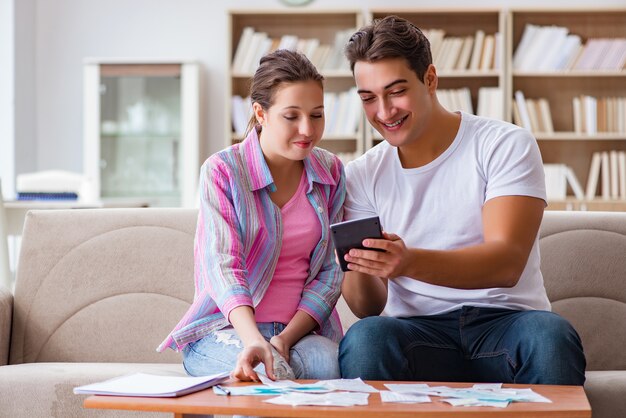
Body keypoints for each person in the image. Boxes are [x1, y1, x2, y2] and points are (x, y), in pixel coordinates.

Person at [337, 15, 586, 385]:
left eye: (396, 91)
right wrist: (362, 264)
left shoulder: (503, 145)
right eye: (369, 98)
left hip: (506, 322)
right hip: (416, 332)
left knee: (550, 338)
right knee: (365, 338)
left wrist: (407, 262)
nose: (384, 112)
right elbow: (366, 307)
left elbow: (506, 263)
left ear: (430, 79)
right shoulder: (362, 173)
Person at [158, 49, 345, 384]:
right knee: (261, 373)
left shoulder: (330, 171)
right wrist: (254, 339)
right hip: (225, 330)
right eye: (292, 116)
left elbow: (331, 272)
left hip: (297, 332)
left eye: (316, 115)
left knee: (330, 365)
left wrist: (284, 339)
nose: (307, 129)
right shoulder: (223, 171)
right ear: (260, 113)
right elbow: (222, 264)